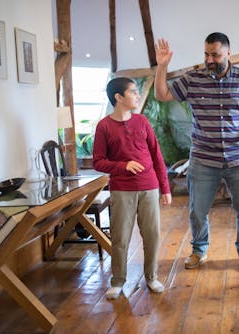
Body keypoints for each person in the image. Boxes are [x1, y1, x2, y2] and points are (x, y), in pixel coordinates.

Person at [154, 32, 239, 271]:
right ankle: (199, 250)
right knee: (197, 210)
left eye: (215, 55)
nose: (209, 59)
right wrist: (162, 67)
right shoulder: (192, 79)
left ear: (228, 53)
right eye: (206, 54)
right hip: (203, 159)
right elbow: (161, 94)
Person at [93, 77, 172, 299]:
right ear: (119, 97)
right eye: (133, 92)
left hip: (150, 188)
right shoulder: (104, 126)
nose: (137, 96)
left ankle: (151, 277)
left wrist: (165, 189)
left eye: (137, 92)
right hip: (121, 189)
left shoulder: (142, 122)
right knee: (121, 237)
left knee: (152, 235)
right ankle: (118, 281)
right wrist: (123, 165)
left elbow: (157, 156)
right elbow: (98, 161)